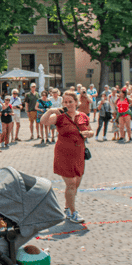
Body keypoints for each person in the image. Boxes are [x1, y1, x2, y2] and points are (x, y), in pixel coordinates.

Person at [40, 91, 93, 223]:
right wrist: (51, 110)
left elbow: (91, 130)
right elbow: (43, 121)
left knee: (76, 184)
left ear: (76, 102)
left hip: (79, 154)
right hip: (64, 154)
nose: (68, 104)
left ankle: (67, 207)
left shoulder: (83, 116)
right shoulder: (60, 117)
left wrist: (89, 133)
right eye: (65, 102)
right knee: (71, 184)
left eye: (70, 101)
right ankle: (73, 212)